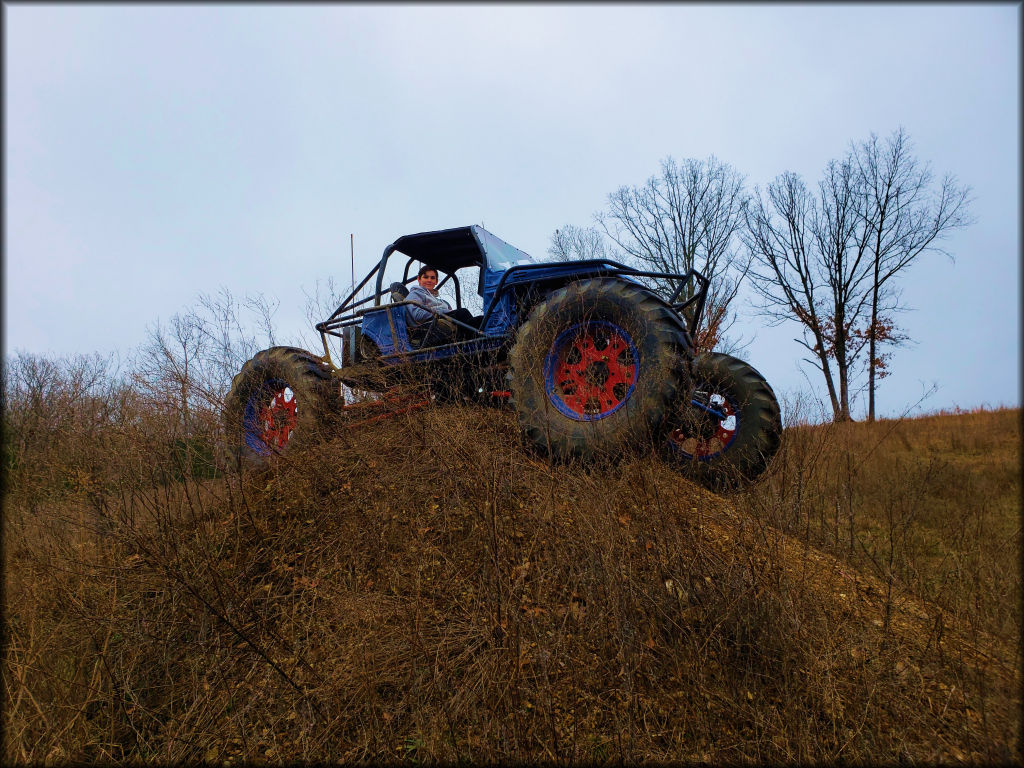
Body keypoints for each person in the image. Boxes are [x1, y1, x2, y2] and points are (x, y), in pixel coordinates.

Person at [405, 265, 480, 343]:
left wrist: (444, 311)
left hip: (442, 319)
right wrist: (441, 311)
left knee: (480, 320)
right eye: (425, 277)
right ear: (419, 279)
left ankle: (481, 341)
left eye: (432, 278)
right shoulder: (415, 294)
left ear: (436, 281)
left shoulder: (441, 301)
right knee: (463, 313)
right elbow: (417, 315)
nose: (429, 280)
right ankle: (476, 343)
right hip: (430, 325)